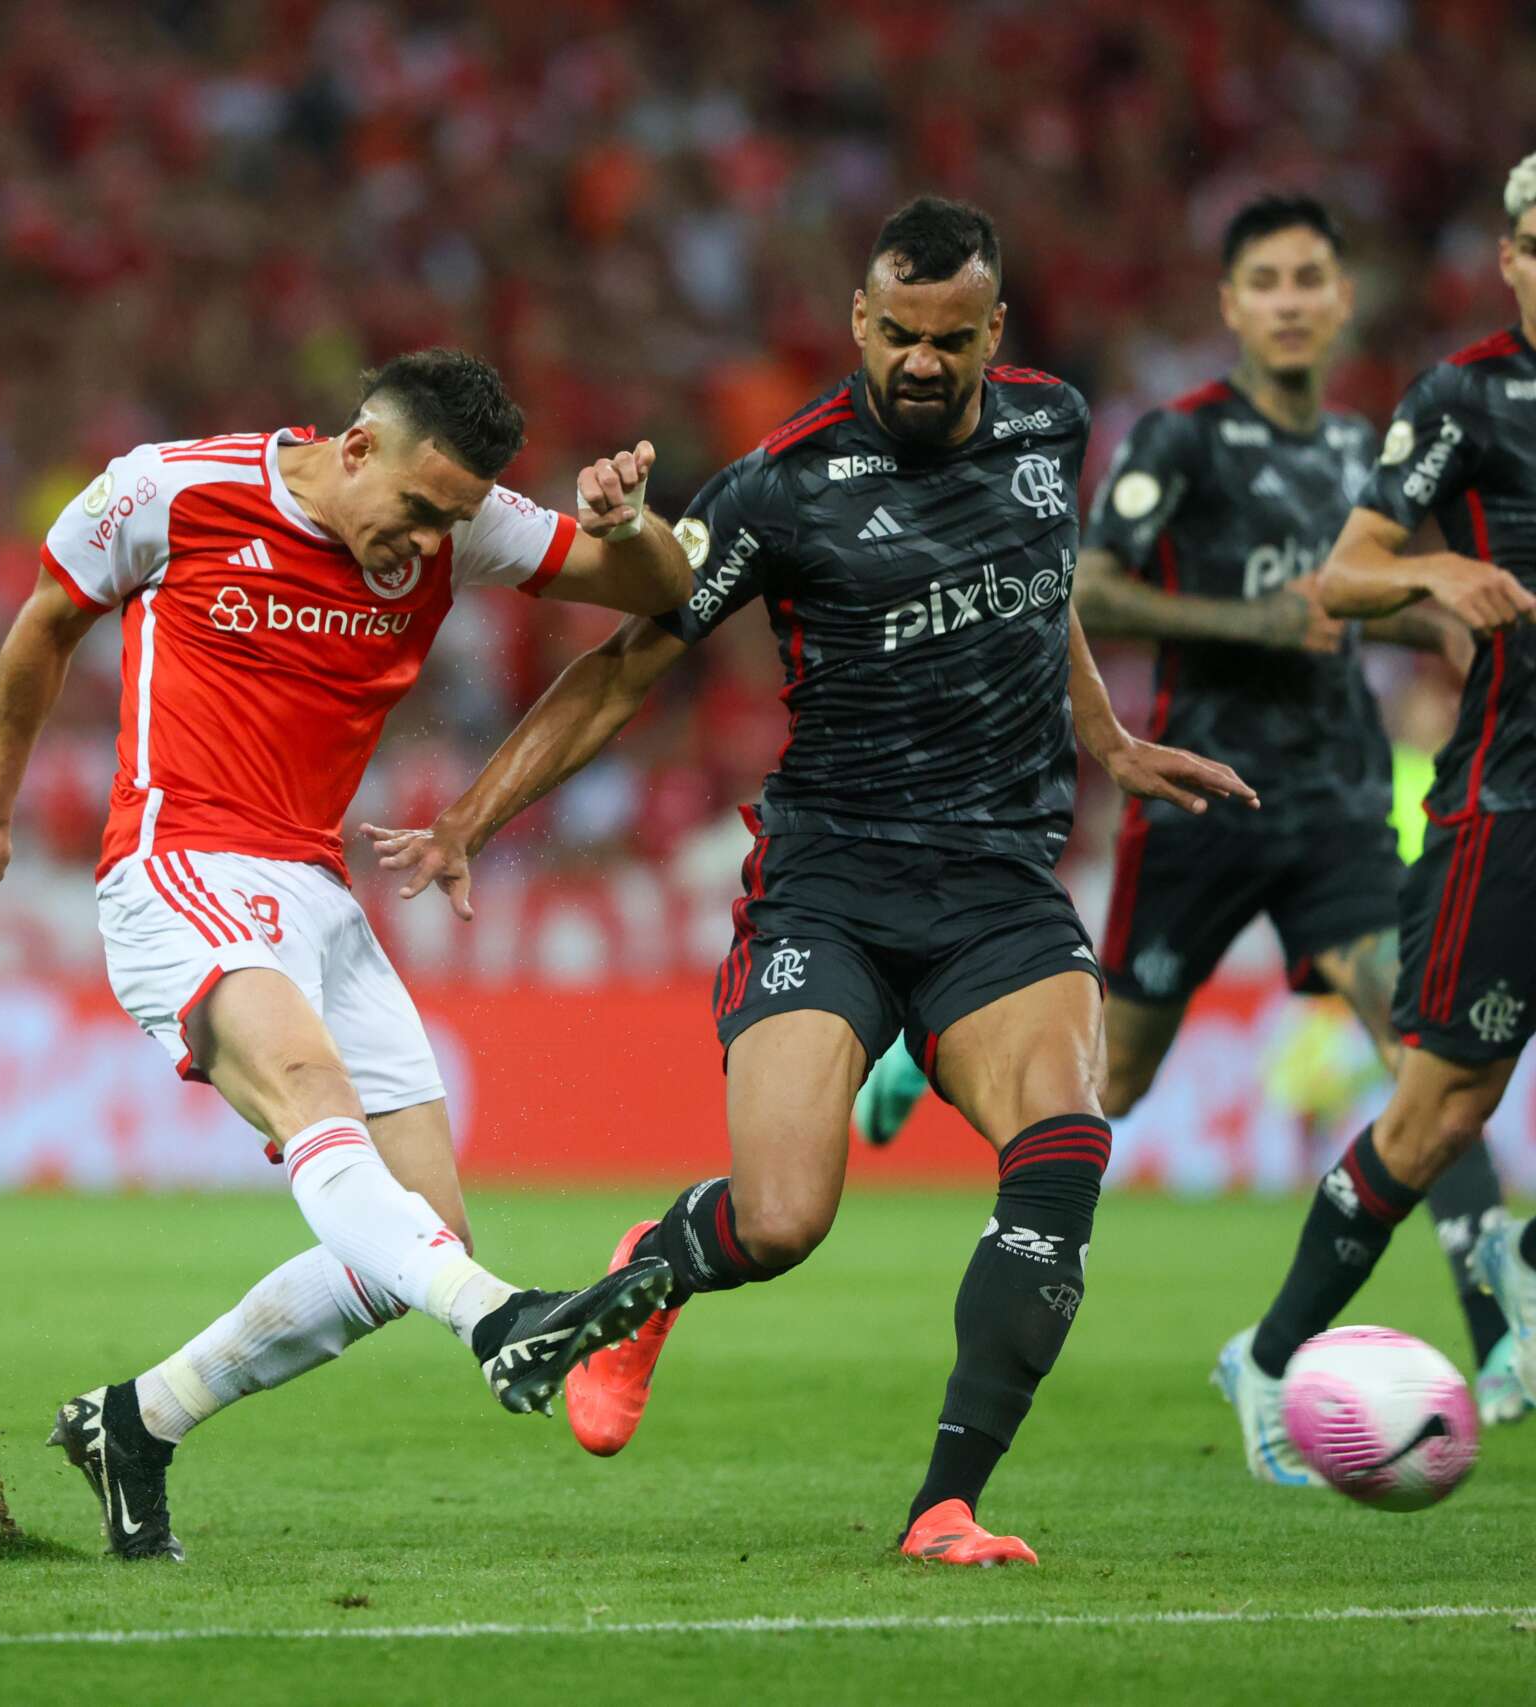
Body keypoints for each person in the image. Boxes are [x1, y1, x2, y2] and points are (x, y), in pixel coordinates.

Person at [372, 199, 1255, 1565]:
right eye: (897, 333)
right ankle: (649, 1270)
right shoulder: (783, 483)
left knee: (1067, 1144)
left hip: (1002, 888)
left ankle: (944, 1502)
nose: (919, 360)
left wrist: (1107, 735)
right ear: (859, 320)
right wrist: (475, 817)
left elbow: (1042, 580)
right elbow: (627, 668)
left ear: (992, 332)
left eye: (949, 340)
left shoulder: (1052, 425)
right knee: (782, 1218)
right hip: (830, 885)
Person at [0, 349, 697, 1559]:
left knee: (416, 1226)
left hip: (315, 894)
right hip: (180, 865)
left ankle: (140, 1420)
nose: (433, 542)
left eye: (457, 520)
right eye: (421, 510)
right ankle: (503, 1323)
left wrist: (628, 527)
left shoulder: (461, 522)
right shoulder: (168, 492)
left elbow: (662, 591)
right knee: (322, 1104)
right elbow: (46, 620)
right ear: (356, 447)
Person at [842, 193, 1524, 1437]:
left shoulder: (1359, 449)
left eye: (1310, 276)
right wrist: (1252, 624)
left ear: (1338, 298)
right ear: (1232, 304)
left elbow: (1366, 595)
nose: (1290, 298)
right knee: (1118, 1078)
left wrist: (1446, 623)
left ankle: (1499, 1338)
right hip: (1203, 795)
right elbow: (1088, 584)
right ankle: (922, 1048)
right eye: (1264, 279)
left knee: (1423, 1053)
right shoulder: (1182, 439)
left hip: (1336, 800)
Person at [1218, 155, 1536, 1458]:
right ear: (1514, 258)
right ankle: (1271, 1355)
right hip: (1509, 807)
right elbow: (1344, 578)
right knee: (1437, 1113)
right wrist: (1449, 571)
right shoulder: (1469, 396)